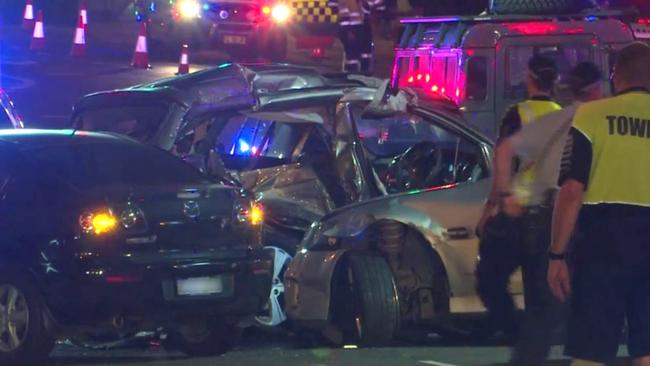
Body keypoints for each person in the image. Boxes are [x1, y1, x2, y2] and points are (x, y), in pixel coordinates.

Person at [485, 62, 604, 365]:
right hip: (577, 218)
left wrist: (502, 196)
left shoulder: (556, 118)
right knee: (564, 306)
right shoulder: (601, 121)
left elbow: (504, 150)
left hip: (536, 215)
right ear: (598, 89)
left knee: (543, 305)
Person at [548, 42, 650, 366]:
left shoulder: (591, 115)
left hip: (602, 243)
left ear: (615, 76)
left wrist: (556, 254)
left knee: (590, 351)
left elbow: (572, 191)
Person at [475, 54, 562, 365]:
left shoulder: (518, 114)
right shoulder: (562, 116)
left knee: (490, 280)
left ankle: (516, 335)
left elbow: (504, 161)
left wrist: (491, 206)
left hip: (517, 212)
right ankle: (530, 347)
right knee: (539, 295)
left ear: (529, 78)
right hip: (549, 214)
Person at [327, 0, 385, 74]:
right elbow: (333, 6)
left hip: (363, 26)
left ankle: (363, 74)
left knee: (365, 54)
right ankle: (353, 75)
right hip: (349, 27)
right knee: (352, 55)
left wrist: (375, 17)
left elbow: (379, 6)